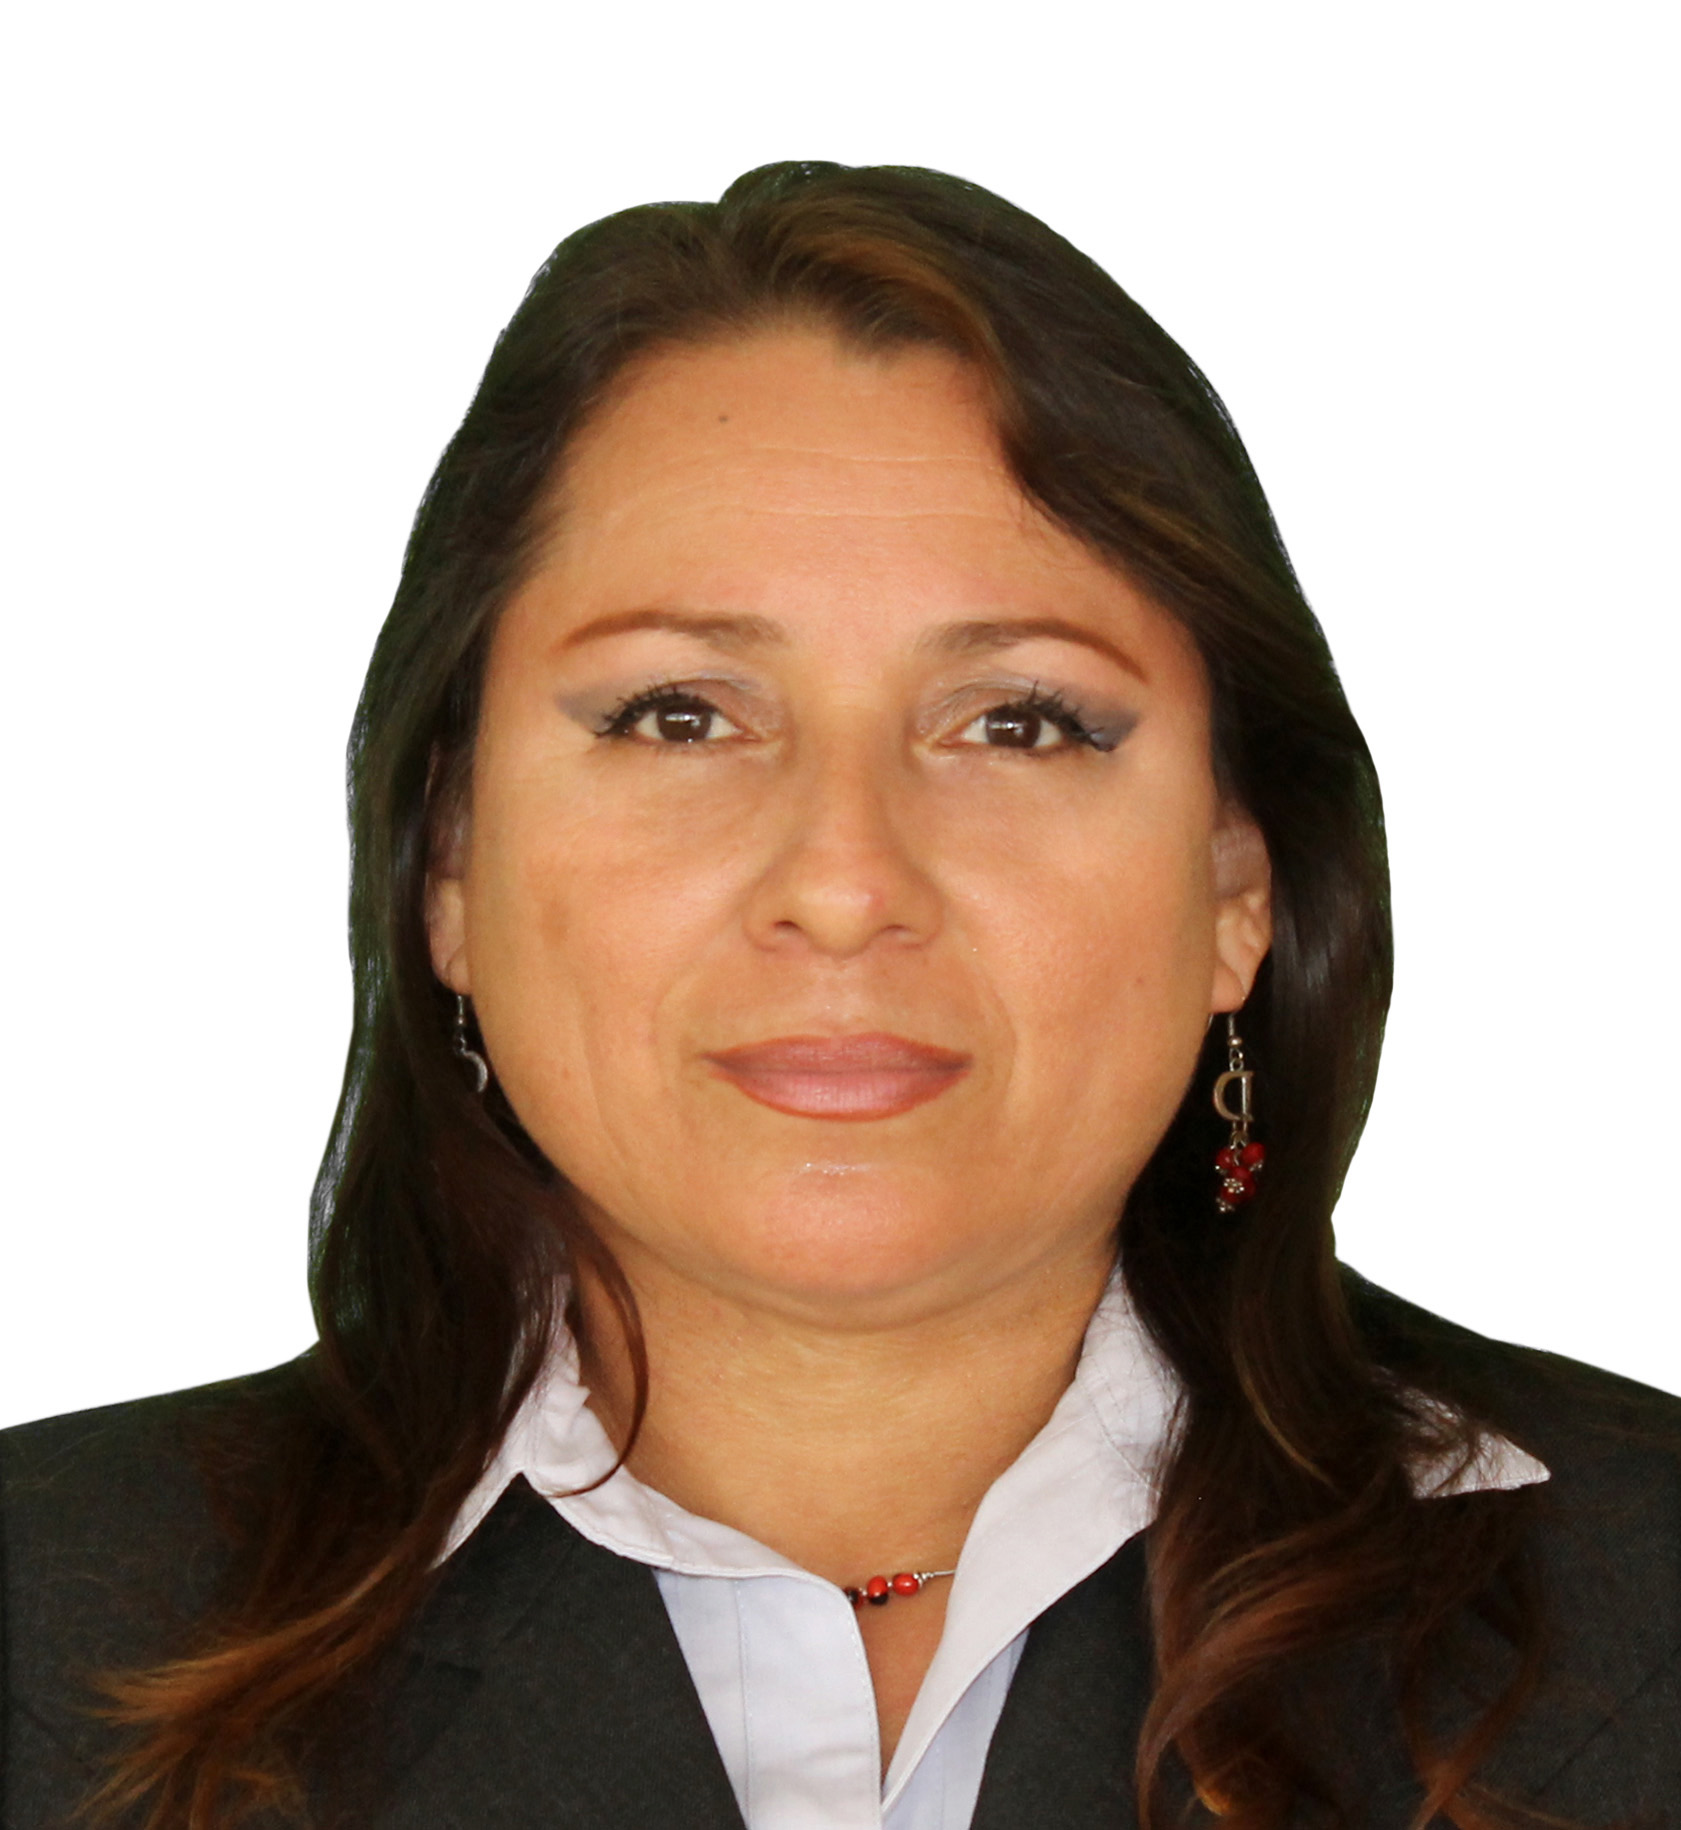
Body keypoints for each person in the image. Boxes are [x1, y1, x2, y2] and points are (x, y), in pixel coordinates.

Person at [2, 161, 1676, 1830]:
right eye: (679, 714)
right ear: (449, 865)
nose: (845, 880)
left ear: (1240, 888)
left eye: (1017, 721)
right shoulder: (42, 1625)